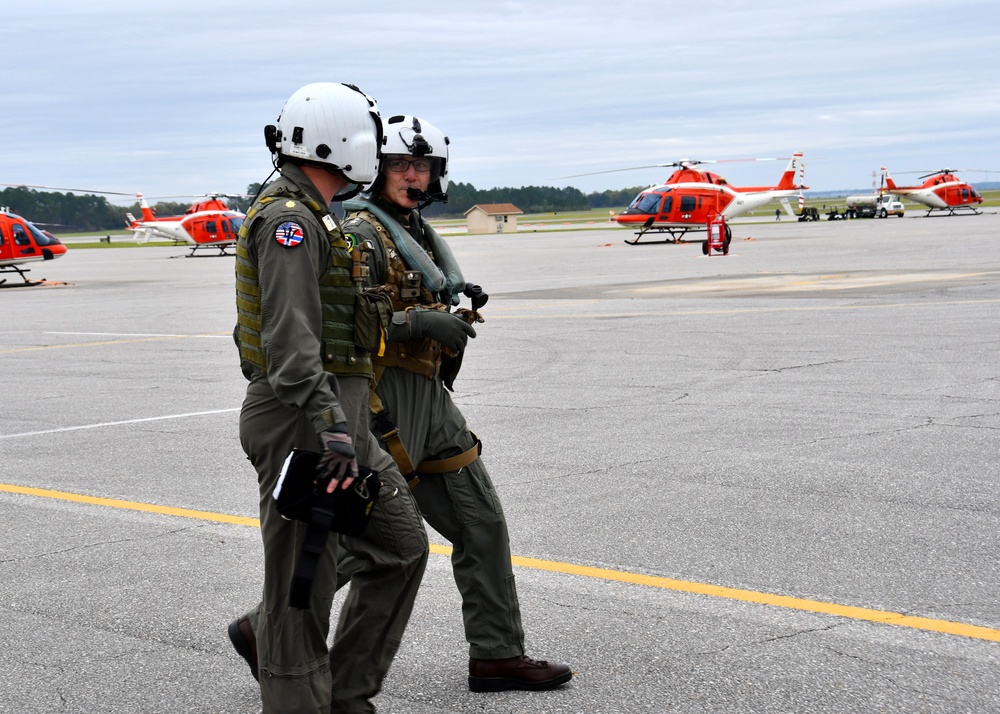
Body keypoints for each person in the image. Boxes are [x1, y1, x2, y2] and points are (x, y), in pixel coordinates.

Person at [339, 114, 572, 692]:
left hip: (430, 397)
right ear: (376, 170)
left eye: (422, 166)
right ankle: (270, 632)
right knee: (364, 539)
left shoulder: (413, 230)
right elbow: (340, 327)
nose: (412, 176)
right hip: (380, 398)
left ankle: (496, 653)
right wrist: (417, 320)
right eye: (400, 165)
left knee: (482, 521)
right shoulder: (361, 235)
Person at [229, 83, 428, 714]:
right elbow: (291, 347)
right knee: (300, 585)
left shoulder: (318, 215)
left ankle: (343, 694)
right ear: (339, 141)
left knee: (400, 547)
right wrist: (333, 430)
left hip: (339, 419)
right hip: (305, 421)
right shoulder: (289, 222)